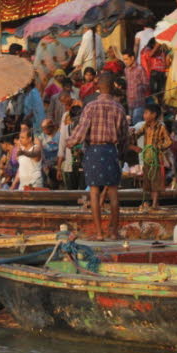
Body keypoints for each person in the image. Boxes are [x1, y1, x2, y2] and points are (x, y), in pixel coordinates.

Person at [66, 72, 128, 239]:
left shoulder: (90, 106)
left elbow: (81, 131)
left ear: (99, 87)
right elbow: (124, 136)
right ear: (113, 86)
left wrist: (69, 142)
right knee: (113, 192)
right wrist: (121, 153)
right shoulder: (119, 108)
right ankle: (113, 232)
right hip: (110, 151)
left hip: (94, 151)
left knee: (94, 191)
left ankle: (100, 233)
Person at [131, 103, 172, 209]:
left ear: (153, 115)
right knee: (147, 182)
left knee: (156, 182)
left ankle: (154, 204)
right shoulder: (145, 126)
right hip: (147, 159)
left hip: (156, 159)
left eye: (146, 113)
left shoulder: (161, 127)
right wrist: (132, 134)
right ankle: (150, 203)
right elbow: (137, 135)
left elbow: (169, 142)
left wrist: (159, 148)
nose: (144, 115)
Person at [57, 105, 83, 190]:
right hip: (83, 166)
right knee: (83, 194)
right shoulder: (85, 128)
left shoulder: (65, 129)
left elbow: (61, 151)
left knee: (72, 194)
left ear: (70, 117)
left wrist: (59, 169)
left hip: (70, 166)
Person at [123, 49, 149, 124]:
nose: (125, 61)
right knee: (130, 123)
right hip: (129, 102)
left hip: (139, 102)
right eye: (124, 59)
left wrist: (139, 88)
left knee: (137, 123)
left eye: (126, 59)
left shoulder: (140, 69)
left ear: (132, 58)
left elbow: (146, 85)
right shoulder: (126, 70)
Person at [38, 118, 60, 190]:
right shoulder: (42, 136)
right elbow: (40, 150)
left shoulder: (59, 136)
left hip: (57, 165)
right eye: (42, 128)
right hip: (46, 165)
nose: (43, 130)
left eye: (45, 128)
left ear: (51, 127)